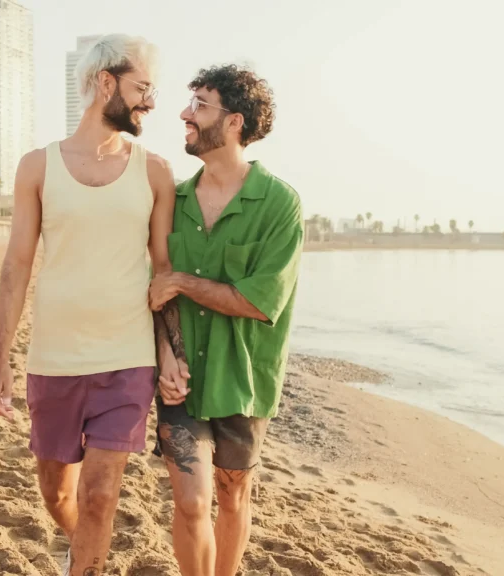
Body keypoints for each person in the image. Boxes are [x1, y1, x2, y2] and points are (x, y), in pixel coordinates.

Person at [0, 34, 187, 576]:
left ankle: (87, 564)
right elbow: (15, 268)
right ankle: (84, 553)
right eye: (142, 87)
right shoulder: (36, 167)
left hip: (126, 356)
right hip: (54, 359)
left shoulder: (156, 172)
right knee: (57, 496)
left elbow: (162, 274)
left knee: (100, 495)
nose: (151, 101)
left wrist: (168, 353)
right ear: (105, 83)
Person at [148, 65, 304, 576]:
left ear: (234, 122)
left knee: (233, 496)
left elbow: (261, 302)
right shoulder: (173, 198)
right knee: (191, 503)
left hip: (244, 380)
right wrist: (165, 357)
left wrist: (187, 285)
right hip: (182, 379)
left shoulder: (279, 203)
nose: (184, 113)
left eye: (199, 104)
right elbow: (158, 282)